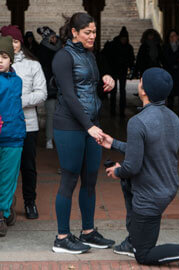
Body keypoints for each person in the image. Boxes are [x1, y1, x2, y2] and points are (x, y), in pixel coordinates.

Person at [98, 67, 179, 268]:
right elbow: (150, 150)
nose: (140, 82)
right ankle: (133, 240)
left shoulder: (138, 122)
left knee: (145, 255)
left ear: (144, 91)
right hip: (166, 187)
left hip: (149, 194)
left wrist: (117, 171)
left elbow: (132, 167)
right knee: (137, 215)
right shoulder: (173, 118)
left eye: (141, 81)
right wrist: (113, 143)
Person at [51, 12, 115, 254]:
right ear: (74, 33)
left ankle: (87, 232)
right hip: (70, 126)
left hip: (91, 124)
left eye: (94, 32)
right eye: (88, 32)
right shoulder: (62, 57)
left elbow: (89, 87)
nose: (93, 36)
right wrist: (88, 126)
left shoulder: (89, 55)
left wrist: (106, 81)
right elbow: (69, 95)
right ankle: (62, 238)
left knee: (90, 181)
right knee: (69, 180)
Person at [1, 25, 47, 220]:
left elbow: (42, 93)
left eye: (16, 41)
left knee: (27, 167)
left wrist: (17, 100)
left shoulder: (32, 65)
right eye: (8, 40)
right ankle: (6, 206)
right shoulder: (1, 60)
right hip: (4, 127)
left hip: (26, 124)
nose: (13, 45)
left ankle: (30, 202)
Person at [0, 36, 26, 236]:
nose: (0, 60)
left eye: (4, 56)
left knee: (8, 178)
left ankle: (3, 212)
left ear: (11, 59)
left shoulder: (18, 81)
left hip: (13, 136)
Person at [37, 26, 62, 149]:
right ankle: (49, 139)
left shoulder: (60, 47)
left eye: (54, 36)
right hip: (50, 87)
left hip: (62, 86)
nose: (55, 39)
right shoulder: (42, 50)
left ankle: (59, 139)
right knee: (51, 114)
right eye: (52, 37)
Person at [102, 26, 135, 117]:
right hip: (114, 71)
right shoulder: (115, 46)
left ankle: (121, 111)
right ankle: (113, 111)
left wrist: (131, 68)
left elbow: (131, 59)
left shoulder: (127, 47)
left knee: (122, 91)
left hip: (122, 71)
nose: (124, 40)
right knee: (114, 90)